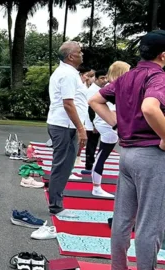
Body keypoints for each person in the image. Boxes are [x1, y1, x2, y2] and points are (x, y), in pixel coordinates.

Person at [88, 30, 165, 270]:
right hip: (150, 154)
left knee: (123, 214)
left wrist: (116, 124)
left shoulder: (127, 76)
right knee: (151, 217)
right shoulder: (158, 77)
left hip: (127, 153)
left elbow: (95, 100)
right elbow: (150, 107)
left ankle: (119, 266)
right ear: (163, 55)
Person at [46, 41, 88, 217]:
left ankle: (56, 202)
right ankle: (56, 206)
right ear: (71, 56)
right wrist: (81, 128)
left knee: (64, 166)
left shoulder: (68, 73)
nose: (82, 54)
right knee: (62, 166)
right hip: (65, 126)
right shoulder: (68, 74)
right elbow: (68, 104)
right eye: (79, 51)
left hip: (64, 125)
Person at [87, 62, 130, 198]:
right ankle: (96, 187)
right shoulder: (113, 88)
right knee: (102, 155)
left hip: (108, 125)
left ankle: (97, 186)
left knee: (102, 155)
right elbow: (111, 110)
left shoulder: (113, 87)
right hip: (109, 126)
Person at [85, 68, 108, 171]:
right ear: (96, 79)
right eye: (102, 78)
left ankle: (96, 163)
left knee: (101, 142)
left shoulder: (103, 89)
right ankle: (89, 165)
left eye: (106, 78)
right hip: (93, 122)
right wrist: (94, 124)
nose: (104, 80)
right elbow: (91, 109)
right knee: (92, 144)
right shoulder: (92, 90)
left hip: (102, 120)